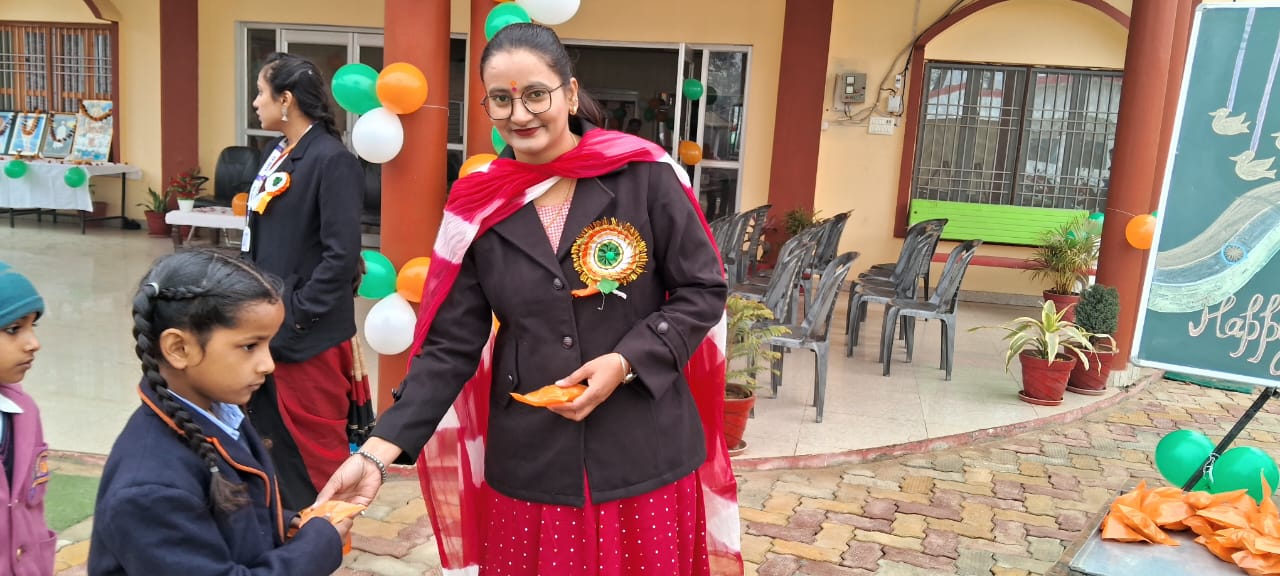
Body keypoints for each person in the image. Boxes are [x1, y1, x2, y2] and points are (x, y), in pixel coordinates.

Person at [318, 23, 743, 575]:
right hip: (533, 459)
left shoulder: (643, 176)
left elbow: (702, 289)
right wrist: (379, 451)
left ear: (570, 92)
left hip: (643, 448)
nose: (520, 114)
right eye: (501, 99)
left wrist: (626, 361)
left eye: (536, 94)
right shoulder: (479, 203)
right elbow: (450, 345)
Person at [87, 250, 348, 575]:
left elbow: (234, 514)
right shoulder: (150, 489)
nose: (268, 364)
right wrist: (317, 547)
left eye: (268, 344)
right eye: (250, 346)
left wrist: (288, 522)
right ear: (179, 348)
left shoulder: (223, 413)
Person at [241, 52, 369, 510]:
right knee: (268, 436)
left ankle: (324, 531)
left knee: (312, 450)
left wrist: (294, 315)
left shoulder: (332, 160)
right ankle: (280, 527)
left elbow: (341, 257)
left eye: (261, 92)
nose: (256, 102)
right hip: (265, 320)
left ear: (286, 99)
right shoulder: (277, 154)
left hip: (305, 333)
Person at [0, 263, 55, 576]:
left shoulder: (24, 411)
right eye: (13, 329)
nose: (34, 343)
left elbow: (30, 505)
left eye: (33, 326)